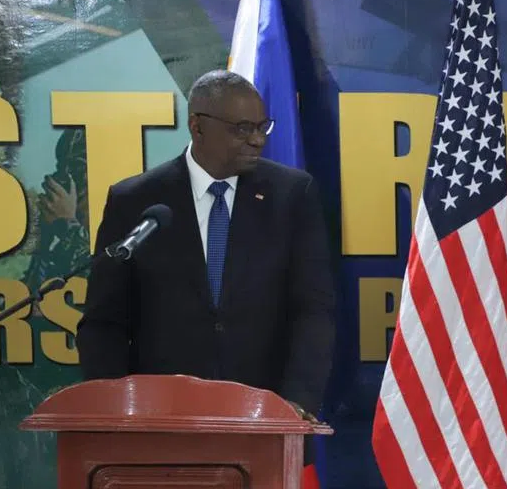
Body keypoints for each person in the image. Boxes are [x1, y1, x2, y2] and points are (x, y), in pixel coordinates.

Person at [76, 70, 335, 416]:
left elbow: (313, 310)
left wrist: (296, 401)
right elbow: (103, 322)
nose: (257, 140)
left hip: (264, 420)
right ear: (197, 126)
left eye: (262, 127)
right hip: (159, 422)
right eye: (242, 128)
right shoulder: (135, 201)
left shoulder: (291, 196)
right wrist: (115, 409)